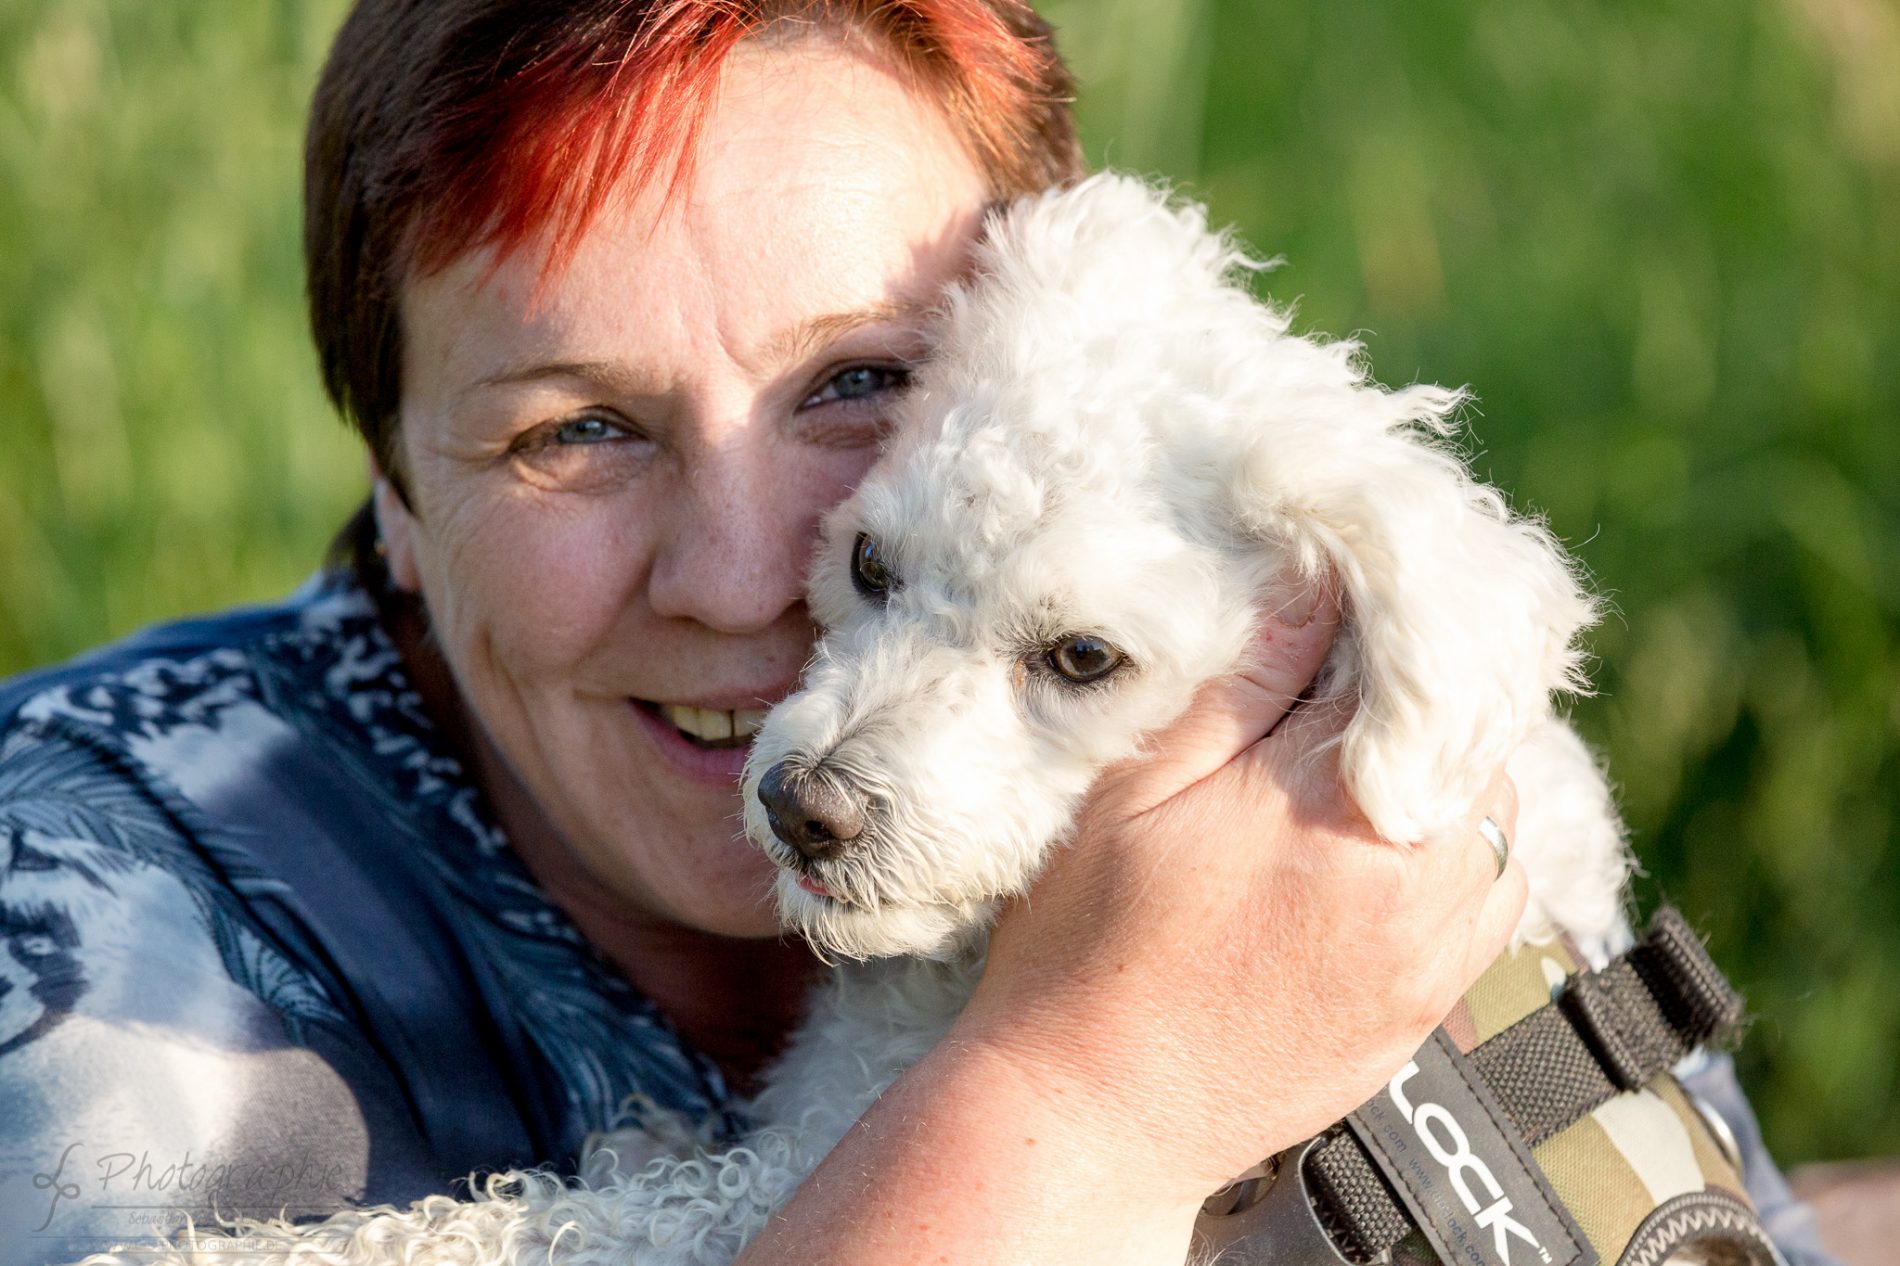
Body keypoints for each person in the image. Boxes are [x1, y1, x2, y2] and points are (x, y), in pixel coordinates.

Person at [0, 2, 1832, 1263]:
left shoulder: (1339, 757)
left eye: (859, 381)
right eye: (575, 429)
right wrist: (1096, 1096)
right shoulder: (79, 900)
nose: (738, 574)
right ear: (391, 485)